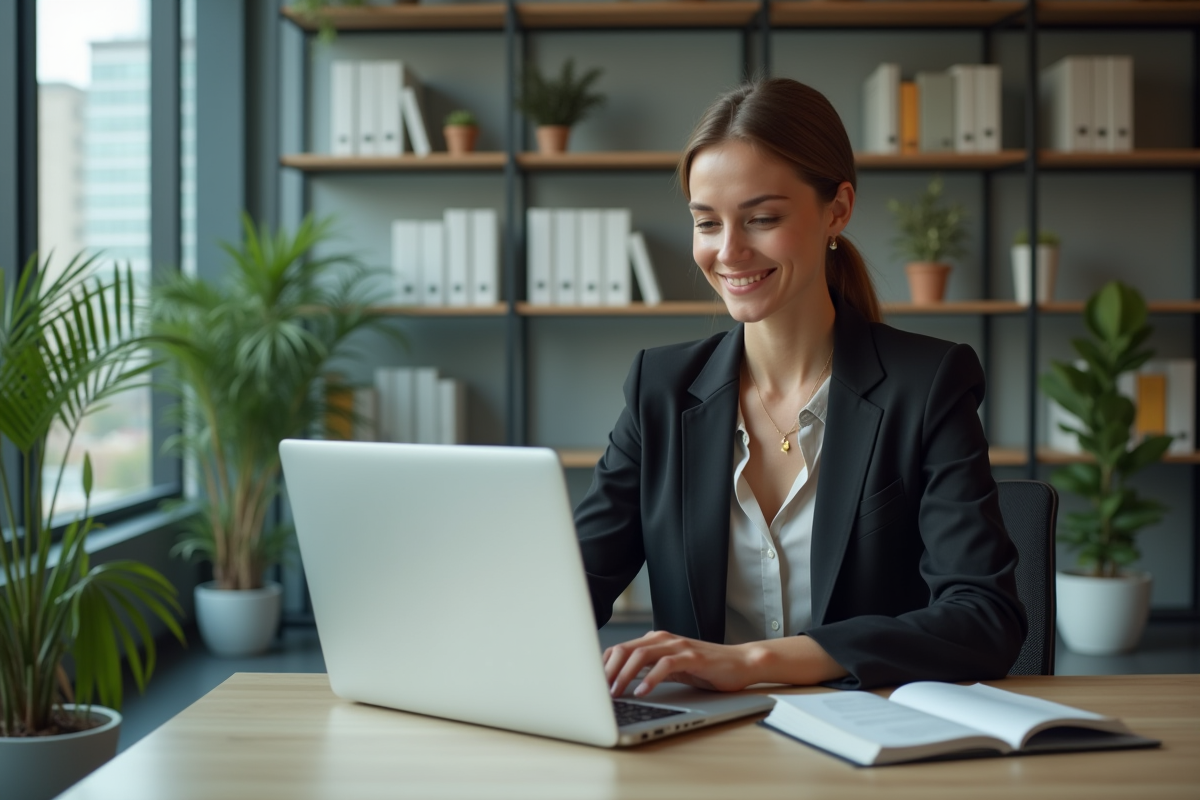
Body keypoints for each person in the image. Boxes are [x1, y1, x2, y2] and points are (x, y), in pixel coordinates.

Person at [574, 78, 1027, 699]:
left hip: (870, 744)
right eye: (707, 223)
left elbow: (984, 618)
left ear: (837, 210)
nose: (728, 252)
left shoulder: (928, 385)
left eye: (762, 219)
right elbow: (573, 586)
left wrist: (754, 661)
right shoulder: (661, 388)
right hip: (700, 747)